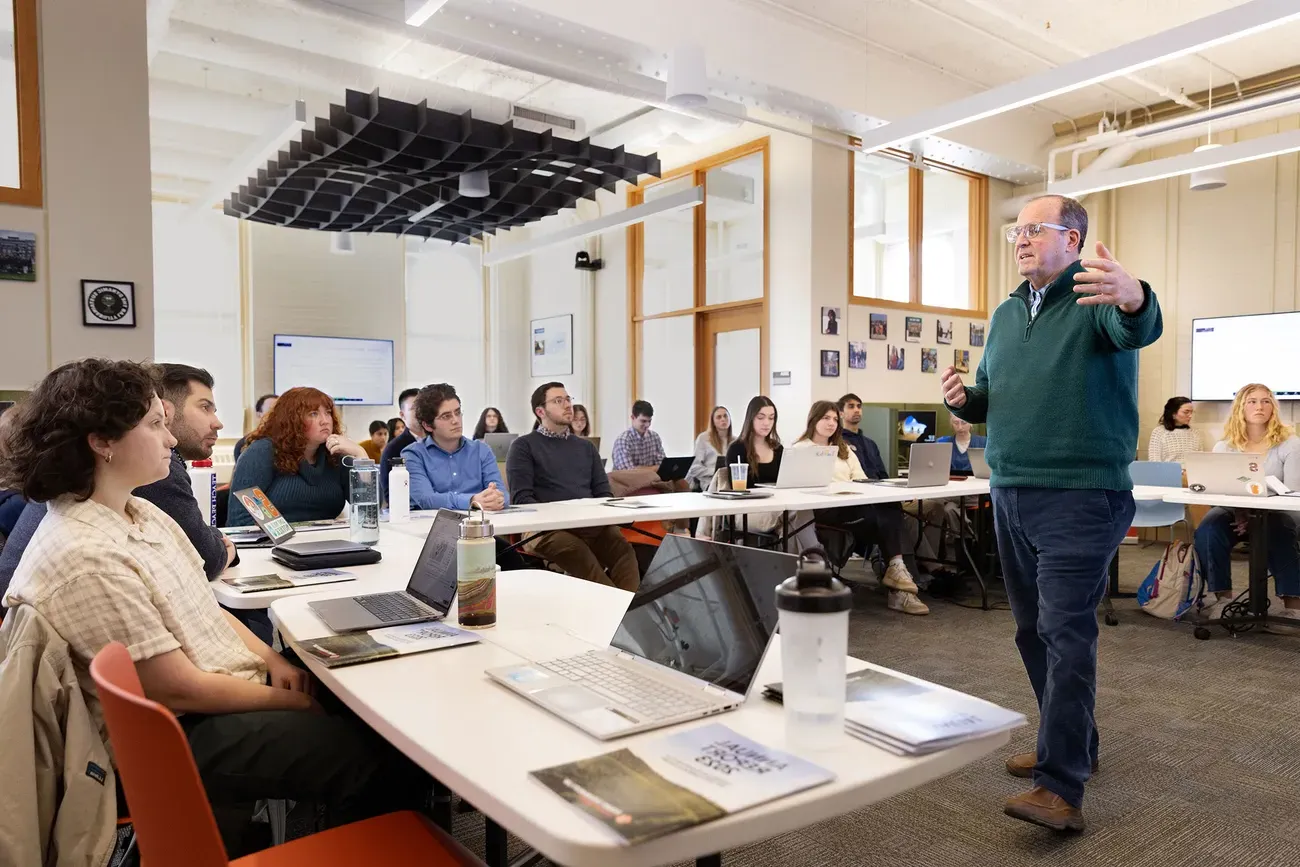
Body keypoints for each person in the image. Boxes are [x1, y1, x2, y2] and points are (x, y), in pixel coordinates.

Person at [0, 359, 428, 853]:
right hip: (178, 736)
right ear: (102, 442)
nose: (168, 439)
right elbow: (178, 689)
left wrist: (270, 659)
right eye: (155, 424)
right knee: (380, 756)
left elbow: (205, 608)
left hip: (215, 691)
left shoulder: (139, 512)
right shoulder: (86, 554)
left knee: (365, 693)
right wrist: (292, 700)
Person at [942, 193, 1162, 831]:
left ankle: (1060, 785)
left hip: (1080, 496)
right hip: (1010, 490)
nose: (1020, 238)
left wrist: (1134, 293)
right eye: (1016, 230)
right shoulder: (1008, 312)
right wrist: (967, 397)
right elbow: (993, 399)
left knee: (1067, 635)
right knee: (1032, 631)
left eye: (1034, 229)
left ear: (1073, 239)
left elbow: (1136, 325)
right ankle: (1073, 744)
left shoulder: (1095, 296)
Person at [793, 401, 927, 614]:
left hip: (854, 505)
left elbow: (861, 479)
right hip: (826, 511)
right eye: (826, 418)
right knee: (886, 517)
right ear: (814, 420)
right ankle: (899, 579)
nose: (831, 423)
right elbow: (796, 486)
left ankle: (897, 569)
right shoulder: (800, 449)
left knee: (891, 507)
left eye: (835, 419)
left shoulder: (843, 448)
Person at [505, 382, 639, 591]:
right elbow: (522, 500)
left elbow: (603, 493)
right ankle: (617, 612)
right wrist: (563, 517)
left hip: (589, 523)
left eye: (568, 399)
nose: (568, 405)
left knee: (623, 550)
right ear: (540, 411)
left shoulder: (586, 447)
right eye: (558, 401)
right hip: (543, 529)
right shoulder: (523, 446)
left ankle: (627, 615)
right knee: (577, 551)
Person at [1195, 384, 1300, 623]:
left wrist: (1254, 512)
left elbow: (1293, 492)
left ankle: (1294, 605)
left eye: (1265, 401)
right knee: (1209, 528)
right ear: (1241, 408)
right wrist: (1241, 513)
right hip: (1235, 511)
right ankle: (1222, 598)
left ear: (1273, 407)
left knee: (1277, 527)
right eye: (1252, 401)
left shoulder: (1290, 443)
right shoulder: (1224, 446)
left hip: (1282, 510)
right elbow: (1219, 489)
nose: (1259, 406)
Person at [135, 364, 237, 580]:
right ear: (165, 411)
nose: (217, 423)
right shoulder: (158, 466)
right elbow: (206, 559)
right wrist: (225, 548)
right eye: (204, 408)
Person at [226, 387, 368, 526]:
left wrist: (360, 455)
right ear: (292, 420)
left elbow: (368, 509)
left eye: (328, 413)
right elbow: (240, 519)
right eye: (313, 414)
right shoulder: (263, 451)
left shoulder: (335, 454)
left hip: (325, 542)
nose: (325, 421)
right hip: (273, 545)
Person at [717, 397, 819, 553]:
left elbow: (786, 481)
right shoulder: (737, 449)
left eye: (771, 418)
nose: (767, 423)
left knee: (793, 521)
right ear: (751, 418)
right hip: (747, 511)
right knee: (794, 516)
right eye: (761, 417)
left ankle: (801, 565)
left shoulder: (777, 448)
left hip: (777, 506)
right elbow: (737, 490)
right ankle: (815, 559)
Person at [403, 384, 508, 512]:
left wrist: (496, 498)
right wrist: (472, 500)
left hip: (480, 525)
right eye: (446, 416)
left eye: (458, 413)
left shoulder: (481, 449)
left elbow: (503, 494)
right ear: (428, 425)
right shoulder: (413, 454)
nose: (456, 420)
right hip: (433, 527)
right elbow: (426, 499)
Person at [911, 413, 988, 580]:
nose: (960, 426)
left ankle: (952, 547)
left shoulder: (984, 443)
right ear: (951, 423)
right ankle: (967, 535)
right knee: (947, 508)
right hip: (949, 491)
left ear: (971, 424)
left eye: (963, 421)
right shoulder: (942, 443)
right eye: (956, 422)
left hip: (974, 493)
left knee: (941, 505)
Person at [380, 388, 420, 504]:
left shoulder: (437, 440)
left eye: (423, 408)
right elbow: (389, 494)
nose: (420, 412)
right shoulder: (394, 448)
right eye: (414, 409)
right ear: (403, 415)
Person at [686, 405, 734, 491]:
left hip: (731, 483)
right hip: (710, 483)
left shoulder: (736, 441)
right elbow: (694, 468)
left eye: (725, 416)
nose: (723, 419)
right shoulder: (703, 438)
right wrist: (716, 472)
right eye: (719, 417)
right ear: (713, 422)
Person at [611, 400, 665, 471]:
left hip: (652, 480)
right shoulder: (623, 440)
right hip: (629, 481)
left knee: (678, 480)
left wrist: (640, 469)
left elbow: (663, 466)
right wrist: (655, 468)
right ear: (633, 418)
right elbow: (629, 472)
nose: (647, 425)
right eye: (643, 421)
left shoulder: (655, 437)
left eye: (649, 421)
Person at [1148, 396, 1202, 463]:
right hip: (1167, 472)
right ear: (1173, 414)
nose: (1190, 416)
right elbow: (1154, 461)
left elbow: (1200, 460)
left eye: (1191, 412)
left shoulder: (1195, 433)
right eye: (1186, 412)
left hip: (1191, 472)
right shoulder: (1159, 432)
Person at [232, 393, 277, 460]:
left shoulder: (289, 442)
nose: (276, 415)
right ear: (259, 415)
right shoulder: (244, 444)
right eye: (270, 411)